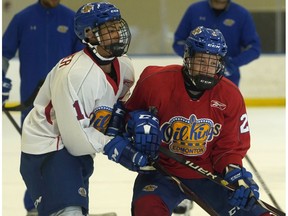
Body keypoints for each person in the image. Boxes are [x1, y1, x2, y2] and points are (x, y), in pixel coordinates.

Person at [19, 2, 155, 215]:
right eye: (109, 29)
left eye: (117, 27)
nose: (117, 34)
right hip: (48, 148)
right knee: (69, 211)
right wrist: (117, 148)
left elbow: (118, 108)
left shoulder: (124, 66)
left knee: (77, 208)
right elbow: (76, 141)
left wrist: (133, 125)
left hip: (76, 151)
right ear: (90, 34)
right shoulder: (77, 75)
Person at [124, 26, 271, 216]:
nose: (207, 69)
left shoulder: (230, 94)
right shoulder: (155, 81)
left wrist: (235, 174)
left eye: (213, 63)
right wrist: (135, 123)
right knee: (147, 211)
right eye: (201, 61)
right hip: (161, 173)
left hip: (209, 176)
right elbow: (128, 116)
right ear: (188, 57)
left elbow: (229, 148)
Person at [2, 0, 84, 214]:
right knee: (34, 158)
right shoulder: (22, 18)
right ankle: (34, 208)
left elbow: (83, 61)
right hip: (33, 106)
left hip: (65, 104)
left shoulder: (72, 19)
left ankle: (73, 204)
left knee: (70, 156)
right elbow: (3, 53)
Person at [172, 0, 261, 87]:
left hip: (229, 79)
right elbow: (179, 42)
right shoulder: (194, 10)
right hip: (193, 77)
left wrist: (232, 63)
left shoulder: (242, 14)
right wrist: (193, 58)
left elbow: (254, 48)